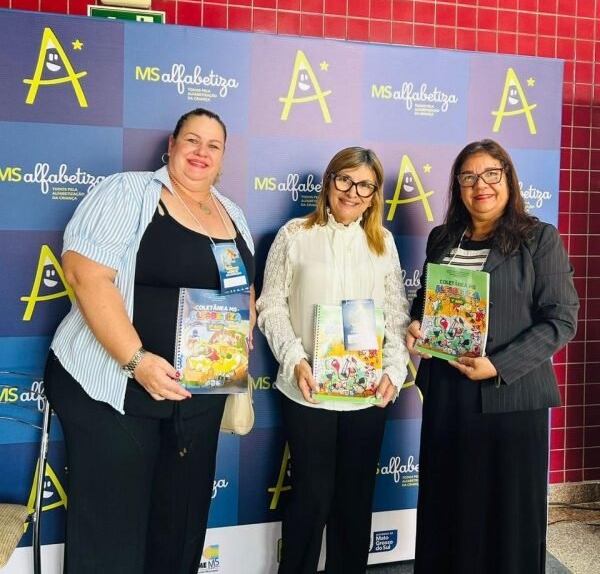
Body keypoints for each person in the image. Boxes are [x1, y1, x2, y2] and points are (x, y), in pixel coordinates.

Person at [44, 108, 255, 574]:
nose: (201, 152)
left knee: (179, 527)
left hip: (197, 397)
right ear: (171, 147)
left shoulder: (233, 213)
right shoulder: (127, 192)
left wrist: (241, 334)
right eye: (192, 140)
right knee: (113, 532)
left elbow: (243, 290)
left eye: (213, 146)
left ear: (223, 159)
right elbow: (85, 275)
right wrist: (136, 359)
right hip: (113, 389)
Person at [406, 139, 579, 574]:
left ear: (508, 178)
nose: (480, 185)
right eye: (468, 177)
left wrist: (498, 365)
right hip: (448, 394)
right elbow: (426, 300)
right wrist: (415, 322)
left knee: (507, 517)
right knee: (448, 507)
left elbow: (561, 319)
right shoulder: (442, 238)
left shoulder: (539, 238)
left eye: (490, 174)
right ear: (458, 187)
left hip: (510, 395)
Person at [256, 146, 410, 574]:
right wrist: (294, 359)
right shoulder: (294, 235)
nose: (352, 192)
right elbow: (271, 305)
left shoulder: (383, 243)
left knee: (355, 501)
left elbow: (397, 314)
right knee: (311, 497)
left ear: (375, 195)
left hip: (368, 393)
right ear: (329, 181)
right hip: (308, 389)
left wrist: (394, 371)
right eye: (345, 179)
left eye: (365, 185)